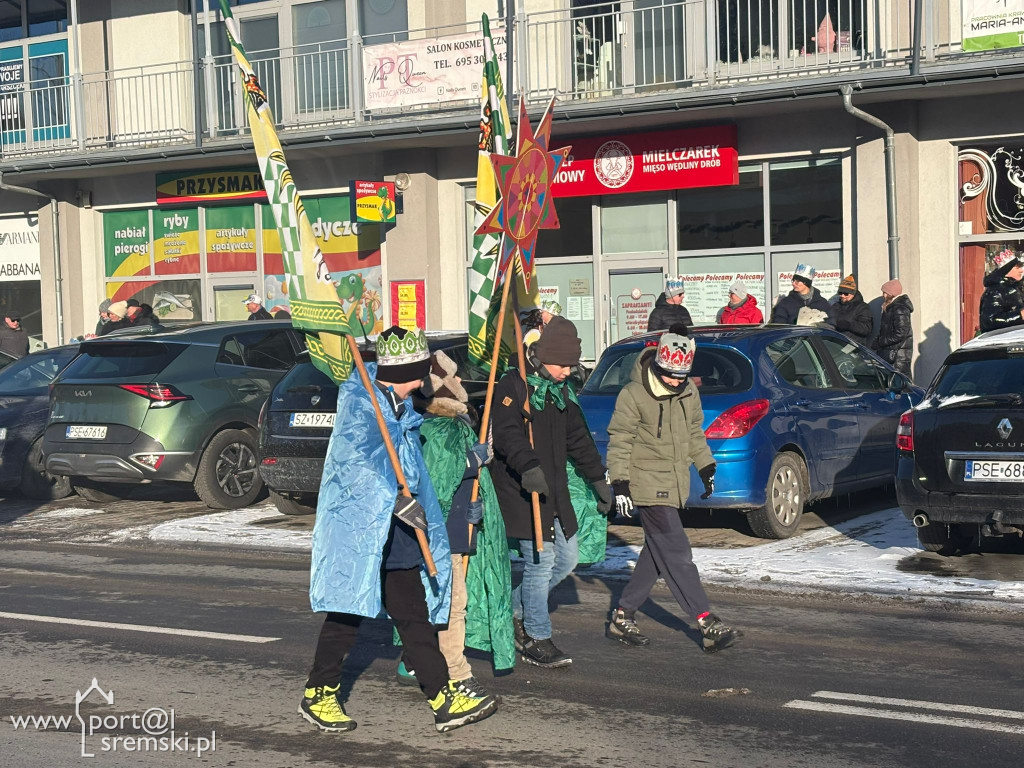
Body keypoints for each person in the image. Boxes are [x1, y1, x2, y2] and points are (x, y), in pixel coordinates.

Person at [300, 326, 498, 734]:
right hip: (362, 526)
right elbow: (354, 465)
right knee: (347, 613)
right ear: (412, 370)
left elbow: (408, 462)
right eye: (423, 368)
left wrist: (422, 497)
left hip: (399, 529)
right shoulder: (363, 403)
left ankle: (442, 696)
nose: (426, 377)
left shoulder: (400, 404)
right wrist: (392, 499)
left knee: (413, 616)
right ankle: (318, 693)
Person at [605, 324, 742, 653]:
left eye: (682, 376)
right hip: (646, 481)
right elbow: (620, 441)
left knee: (656, 553)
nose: (677, 382)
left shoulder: (688, 392)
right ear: (658, 366)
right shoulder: (633, 395)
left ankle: (622, 615)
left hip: (675, 479)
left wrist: (706, 465)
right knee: (677, 549)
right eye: (671, 375)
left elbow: (695, 433)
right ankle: (706, 620)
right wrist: (621, 483)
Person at [491, 316, 613, 669]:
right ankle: (536, 637)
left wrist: (598, 480)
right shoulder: (513, 386)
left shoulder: (561, 391)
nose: (566, 372)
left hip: (554, 491)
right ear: (544, 356)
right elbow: (507, 433)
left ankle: (513, 609)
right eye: (563, 365)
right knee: (540, 563)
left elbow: (579, 439)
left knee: (567, 559)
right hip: (522, 490)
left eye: (571, 366)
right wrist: (528, 465)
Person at [396, 351, 514, 692]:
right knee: (452, 604)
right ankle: (457, 674)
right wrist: (468, 462)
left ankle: (413, 660)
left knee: (443, 601)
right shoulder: (433, 428)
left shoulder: (455, 424)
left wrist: (476, 507)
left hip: (460, 528)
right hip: (441, 533)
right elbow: (434, 479)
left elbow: (458, 483)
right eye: (453, 377)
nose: (461, 382)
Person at [873, 279, 914, 377]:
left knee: (899, 386)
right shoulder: (891, 307)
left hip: (898, 358)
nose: (883, 295)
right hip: (892, 355)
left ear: (892, 293)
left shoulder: (899, 309)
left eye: (885, 292)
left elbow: (900, 333)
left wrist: (880, 342)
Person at [978, 249, 1024, 333]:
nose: (1021, 270)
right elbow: (989, 321)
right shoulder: (995, 291)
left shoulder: (1015, 288)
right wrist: (1020, 315)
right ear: (1007, 269)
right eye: (1017, 267)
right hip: (1003, 342)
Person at [832, 274, 873, 346]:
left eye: (846, 293)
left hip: (853, 348)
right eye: (840, 293)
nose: (842, 296)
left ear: (853, 293)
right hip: (835, 346)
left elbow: (866, 329)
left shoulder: (862, 307)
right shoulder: (835, 306)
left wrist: (849, 325)